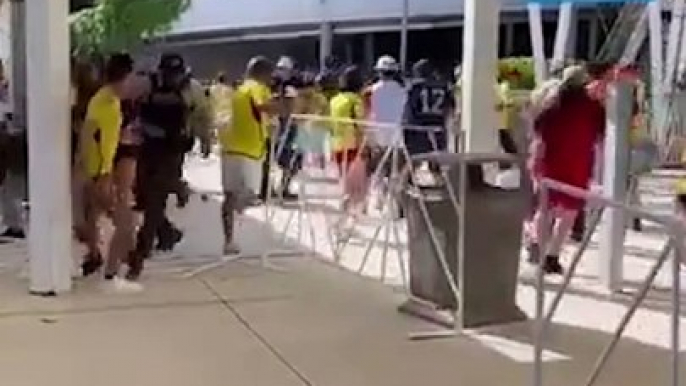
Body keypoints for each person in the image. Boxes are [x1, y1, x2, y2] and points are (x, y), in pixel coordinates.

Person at [525, 65, 606, 275]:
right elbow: (601, 135)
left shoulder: (552, 101)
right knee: (569, 211)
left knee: (545, 208)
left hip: (548, 160)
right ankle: (553, 256)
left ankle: (539, 249)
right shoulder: (593, 106)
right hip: (577, 162)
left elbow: (537, 129)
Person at [129, 53, 191, 279]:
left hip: (168, 156)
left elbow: (183, 129)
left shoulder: (181, 96)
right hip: (148, 153)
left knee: (154, 204)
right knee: (144, 199)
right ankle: (167, 233)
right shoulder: (151, 89)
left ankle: (140, 252)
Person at [79, 53, 134, 277]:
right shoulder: (108, 103)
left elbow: (95, 134)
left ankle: (96, 255)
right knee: (123, 219)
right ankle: (114, 265)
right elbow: (93, 136)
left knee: (95, 213)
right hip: (100, 169)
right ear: (124, 77)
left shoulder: (104, 99)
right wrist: (103, 173)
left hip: (97, 167)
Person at [219, 56, 280, 255]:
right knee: (251, 195)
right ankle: (238, 208)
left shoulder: (238, 90)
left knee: (229, 195)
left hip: (229, 147)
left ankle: (228, 241)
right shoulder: (257, 87)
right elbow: (264, 106)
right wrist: (286, 106)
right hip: (250, 149)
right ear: (262, 73)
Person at [403, 59, 455, 175]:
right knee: (436, 158)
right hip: (438, 124)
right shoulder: (443, 85)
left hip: (419, 126)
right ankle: (439, 180)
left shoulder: (415, 87)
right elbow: (450, 106)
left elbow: (410, 107)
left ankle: (408, 184)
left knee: (414, 158)